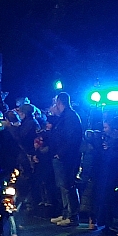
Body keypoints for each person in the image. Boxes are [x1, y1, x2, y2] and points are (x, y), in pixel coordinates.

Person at [48, 92, 83, 228]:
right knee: (63, 186)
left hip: (67, 158)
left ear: (59, 102)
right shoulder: (66, 116)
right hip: (63, 156)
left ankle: (72, 216)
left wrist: (60, 153)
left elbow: (71, 138)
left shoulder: (70, 117)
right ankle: (66, 213)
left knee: (68, 185)